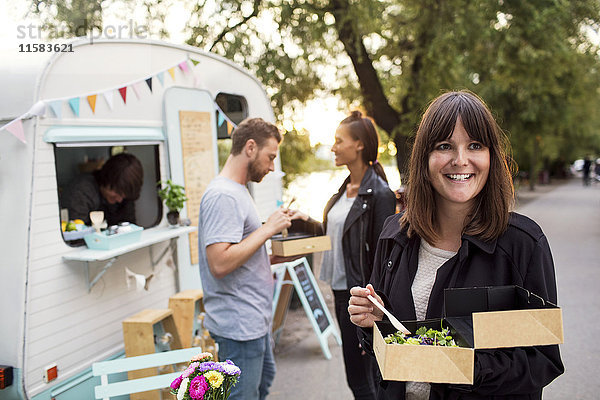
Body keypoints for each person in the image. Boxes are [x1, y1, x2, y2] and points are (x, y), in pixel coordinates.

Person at [348, 91, 564, 400]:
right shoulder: (393, 234)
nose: (460, 160)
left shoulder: (523, 244)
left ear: (492, 155)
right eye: (444, 146)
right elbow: (389, 344)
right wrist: (372, 324)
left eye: (474, 145)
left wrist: (462, 366)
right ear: (425, 157)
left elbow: (542, 360)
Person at [197, 117, 302, 400]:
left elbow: (239, 252)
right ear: (251, 147)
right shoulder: (223, 195)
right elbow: (219, 263)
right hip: (239, 325)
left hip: (253, 320)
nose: (271, 166)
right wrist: (268, 228)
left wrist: (273, 257)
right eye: (270, 157)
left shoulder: (237, 191)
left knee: (262, 384)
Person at [320, 111, 396, 399]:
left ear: (359, 145)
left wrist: (374, 310)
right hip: (340, 292)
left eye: (340, 141)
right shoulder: (344, 191)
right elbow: (338, 233)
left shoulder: (380, 194)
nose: (333, 147)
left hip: (360, 298)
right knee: (355, 376)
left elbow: (383, 256)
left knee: (366, 380)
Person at [63, 152, 143, 226]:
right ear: (105, 179)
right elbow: (76, 231)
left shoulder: (126, 194)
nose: (119, 200)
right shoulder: (81, 191)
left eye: (124, 196)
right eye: (116, 192)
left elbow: (130, 226)